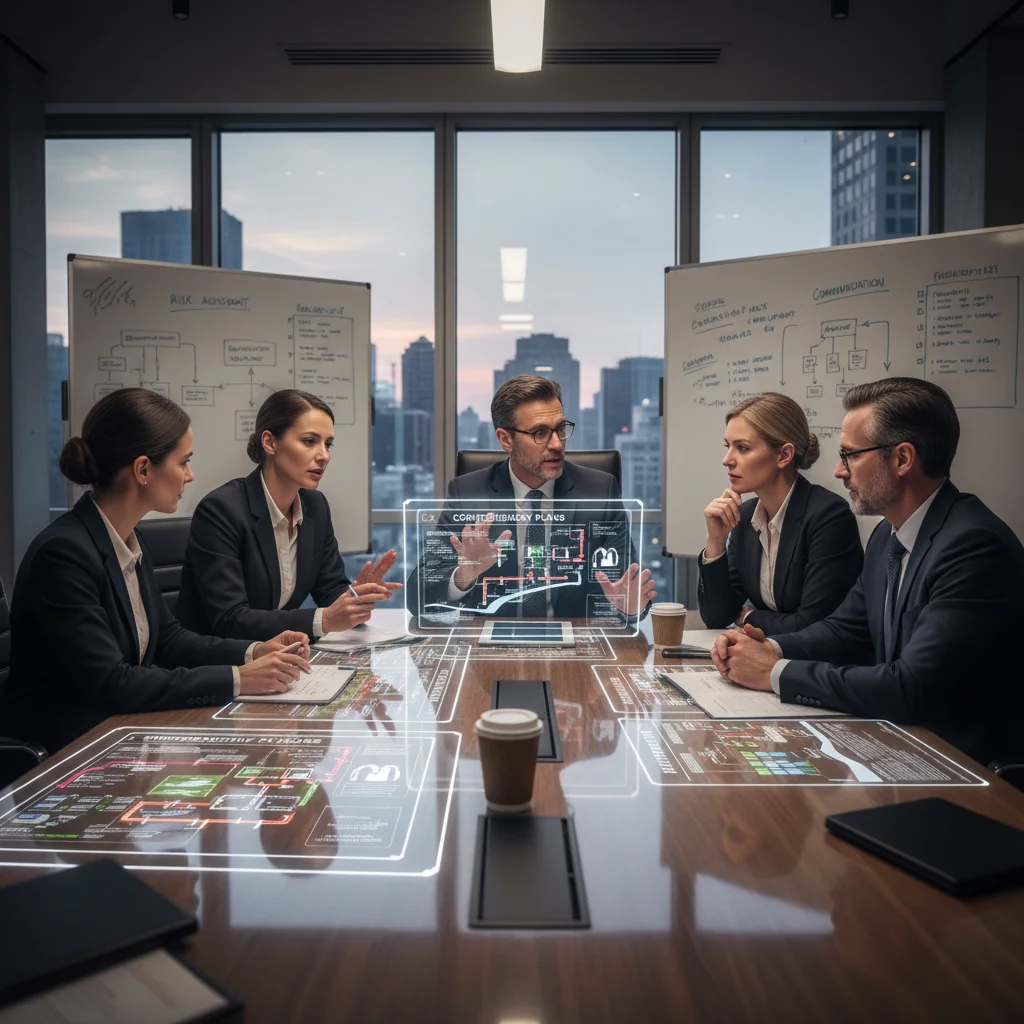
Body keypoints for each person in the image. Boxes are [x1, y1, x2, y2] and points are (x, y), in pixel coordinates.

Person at [710, 377, 1024, 765]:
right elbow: (843, 630)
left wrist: (775, 672)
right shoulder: (886, 538)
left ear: (903, 459)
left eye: (851, 456)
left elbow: (911, 687)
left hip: (968, 769)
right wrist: (766, 648)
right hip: (904, 745)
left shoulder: (973, 547)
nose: (840, 472)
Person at [7, 388, 313, 754]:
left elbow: (168, 639)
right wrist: (237, 679)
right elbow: (112, 682)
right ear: (143, 469)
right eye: (183, 462)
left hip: (122, 727)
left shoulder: (127, 537)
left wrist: (254, 651)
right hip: (71, 745)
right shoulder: (64, 554)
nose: (190, 475)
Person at [406, 375, 656, 620]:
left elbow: (628, 586)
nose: (557, 444)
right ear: (506, 439)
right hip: (490, 647)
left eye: (560, 429)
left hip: (574, 646)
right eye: (540, 433)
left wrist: (630, 606)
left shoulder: (599, 491)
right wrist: (465, 573)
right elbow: (418, 596)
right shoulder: (468, 494)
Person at [176, 390, 397, 642]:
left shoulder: (315, 506)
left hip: (277, 657)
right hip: (216, 665)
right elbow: (230, 620)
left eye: (328, 443)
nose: (324, 455)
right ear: (270, 442)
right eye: (309, 441)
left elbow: (329, 589)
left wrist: (356, 598)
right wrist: (323, 620)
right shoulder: (221, 510)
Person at [699, 392, 862, 632]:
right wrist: (715, 541)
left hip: (819, 665)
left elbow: (813, 625)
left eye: (742, 448)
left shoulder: (828, 516)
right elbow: (717, 617)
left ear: (784, 455)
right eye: (728, 446)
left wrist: (749, 618)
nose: (727, 460)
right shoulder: (744, 517)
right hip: (772, 657)